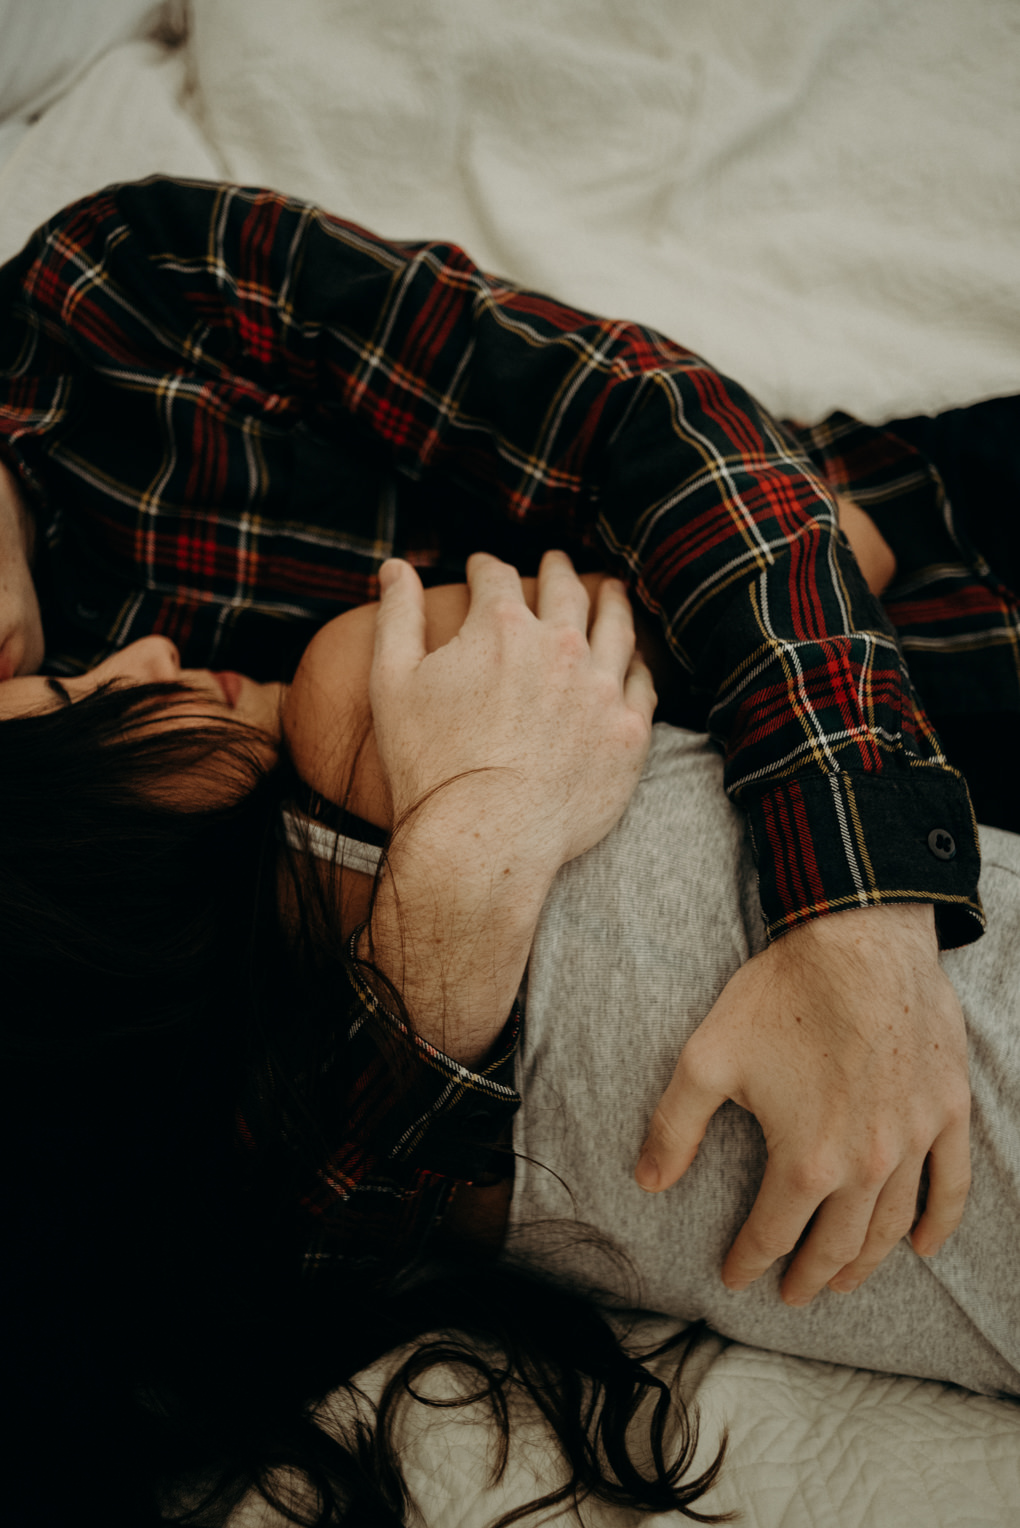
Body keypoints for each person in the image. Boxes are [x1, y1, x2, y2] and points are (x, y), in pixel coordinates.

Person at [0, 177, 994, 1324]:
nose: (144, 656)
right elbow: (224, 1267)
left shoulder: (124, 295)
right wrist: (451, 928)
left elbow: (650, 428)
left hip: (909, 599)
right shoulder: (59, 910)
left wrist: (859, 909)